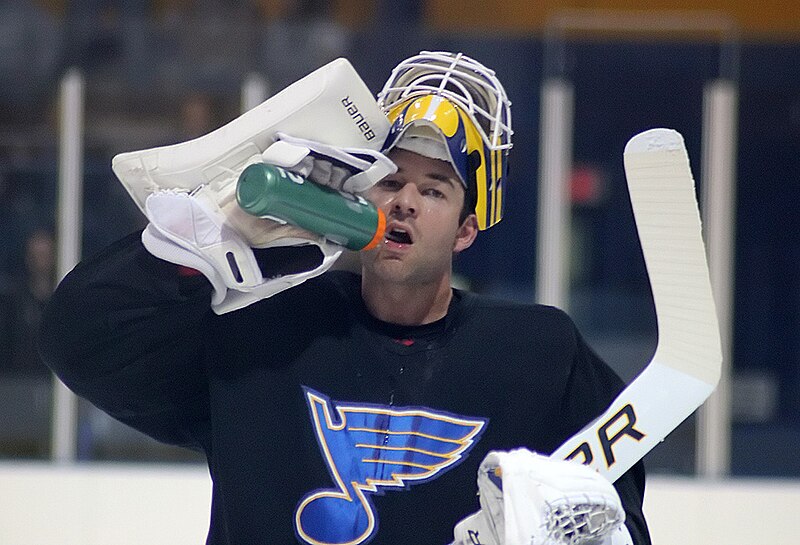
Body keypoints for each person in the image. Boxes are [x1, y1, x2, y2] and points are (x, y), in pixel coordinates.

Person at [39, 52, 650, 545]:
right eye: (389, 179)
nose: (404, 201)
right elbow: (76, 344)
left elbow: (616, 516)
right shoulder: (262, 327)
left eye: (435, 190)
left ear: (468, 228)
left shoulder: (538, 354)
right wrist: (184, 261)